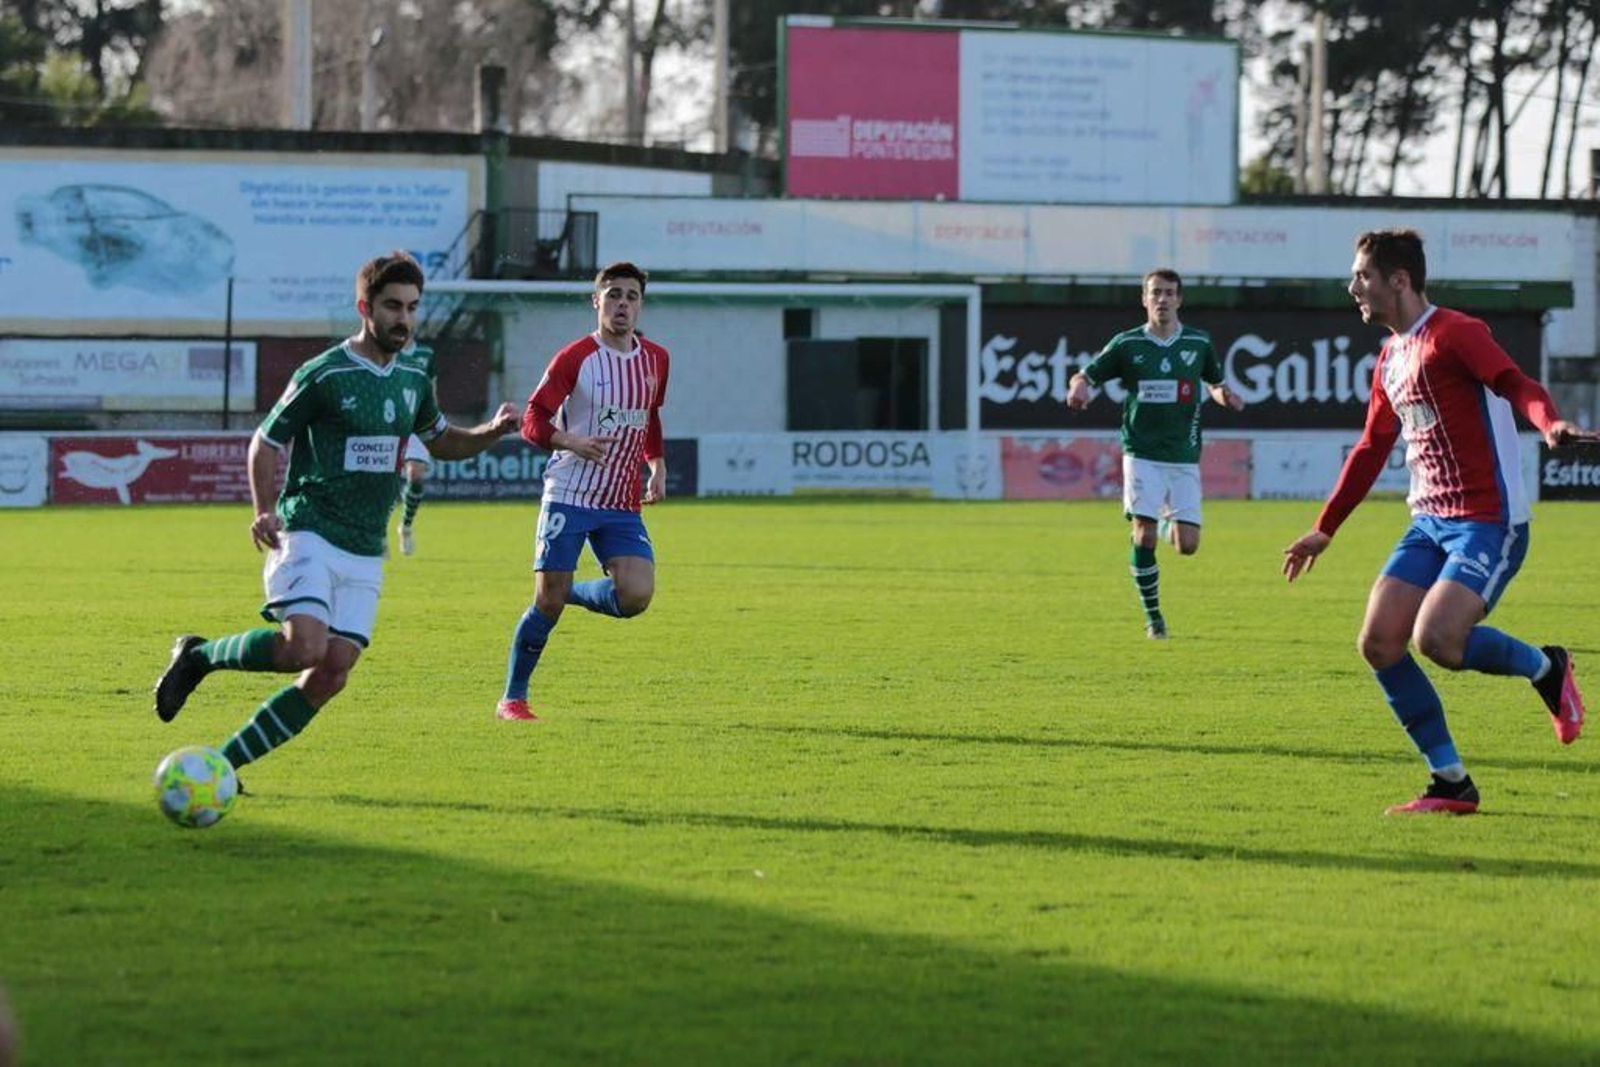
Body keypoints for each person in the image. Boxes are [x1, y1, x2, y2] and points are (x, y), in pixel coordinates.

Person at [152, 251, 519, 777]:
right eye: (393, 306)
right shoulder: (324, 373)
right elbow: (265, 442)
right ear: (365, 307)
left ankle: (222, 768)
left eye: (412, 307)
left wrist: (491, 431)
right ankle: (199, 657)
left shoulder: (414, 375)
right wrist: (263, 509)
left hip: (366, 547)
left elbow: (442, 441)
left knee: (333, 671)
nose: (404, 318)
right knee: (303, 647)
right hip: (311, 530)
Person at [1283, 228, 1594, 815]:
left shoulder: (1456, 333)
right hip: (1429, 522)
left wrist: (1549, 422)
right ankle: (1450, 781)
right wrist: (1326, 527)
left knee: (1439, 639)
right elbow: (1372, 447)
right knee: (1379, 642)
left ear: (1399, 280)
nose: (1353, 287)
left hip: (1488, 521)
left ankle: (1546, 667)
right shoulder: (1391, 357)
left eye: (1363, 276)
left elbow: (1516, 383)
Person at [496, 261, 669, 721]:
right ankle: (512, 698)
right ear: (597, 302)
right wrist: (570, 441)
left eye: (631, 296)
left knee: (635, 596)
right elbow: (532, 419)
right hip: (569, 493)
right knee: (546, 602)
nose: (622, 304)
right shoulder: (575, 358)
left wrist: (656, 464)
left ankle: (568, 590)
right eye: (613, 295)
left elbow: (649, 416)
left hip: (620, 501)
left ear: (640, 305)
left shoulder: (656, 359)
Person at [1066, 267, 1245, 639]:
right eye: (1155, 292)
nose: (1162, 299)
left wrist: (1225, 396)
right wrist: (1079, 387)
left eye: (1169, 293)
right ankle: (1154, 618)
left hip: (1183, 454)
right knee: (1144, 536)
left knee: (1187, 546)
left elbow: (1215, 383)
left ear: (1179, 299)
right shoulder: (1127, 344)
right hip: (1141, 452)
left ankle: (1162, 521)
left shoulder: (1198, 342)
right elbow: (1086, 374)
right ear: (1144, 299)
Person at [394, 340, 436, 557]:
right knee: (384, 480)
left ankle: (406, 526)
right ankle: (378, 533)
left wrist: (434, 421)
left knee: (416, 475)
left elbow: (432, 390)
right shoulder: (386, 350)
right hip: (391, 421)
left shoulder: (426, 354)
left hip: (417, 423)